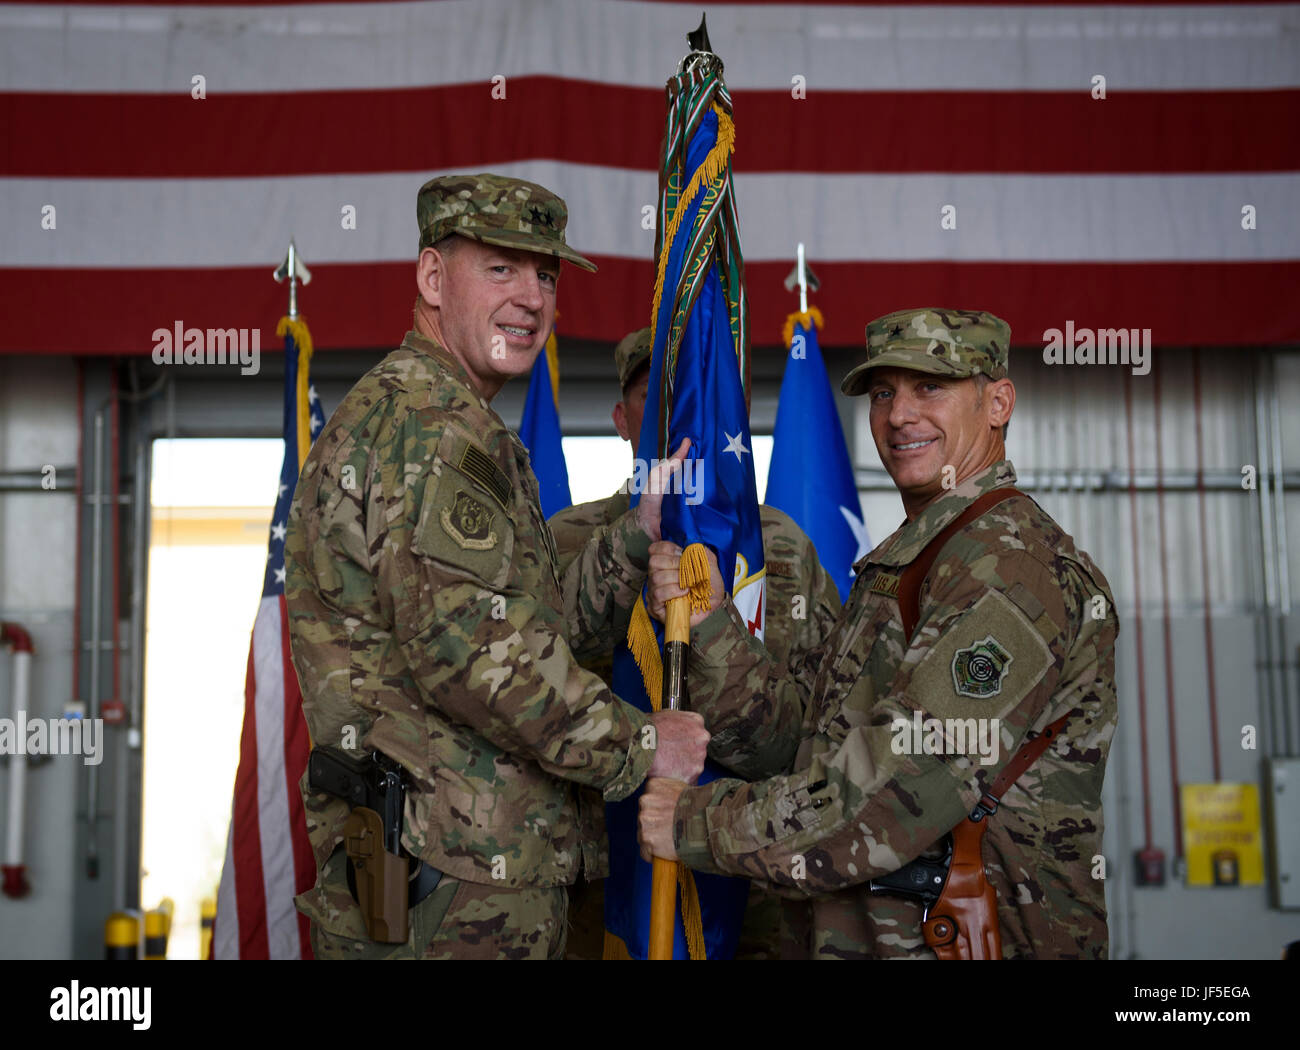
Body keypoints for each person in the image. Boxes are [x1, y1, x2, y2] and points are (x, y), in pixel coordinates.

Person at [284, 173, 708, 960]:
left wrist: (628, 536)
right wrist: (645, 746)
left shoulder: (431, 415)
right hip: (453, 887)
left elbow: (522, 629)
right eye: (501, 270)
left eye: (545, 275)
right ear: (433, 278)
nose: (532, 298)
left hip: (447, 874)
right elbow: (476, 660)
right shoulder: (437, 431)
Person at [638, 308, 1119, 959]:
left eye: (931, 388)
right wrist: (712, 624)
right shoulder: (917, 559)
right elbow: (794, 747)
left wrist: (696, 825)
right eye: (885, 392)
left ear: (998, 401)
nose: (899, 415)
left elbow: (904, 787)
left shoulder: (1007, 566)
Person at [548, 326, 842, 959]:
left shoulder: (781, 550)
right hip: (598, 896)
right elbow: (524, 692)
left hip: (755, 897)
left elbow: (823, 737)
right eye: (658, 404)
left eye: (699, 405)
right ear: (622, 419)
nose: (681, 424)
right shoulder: (567, 540)